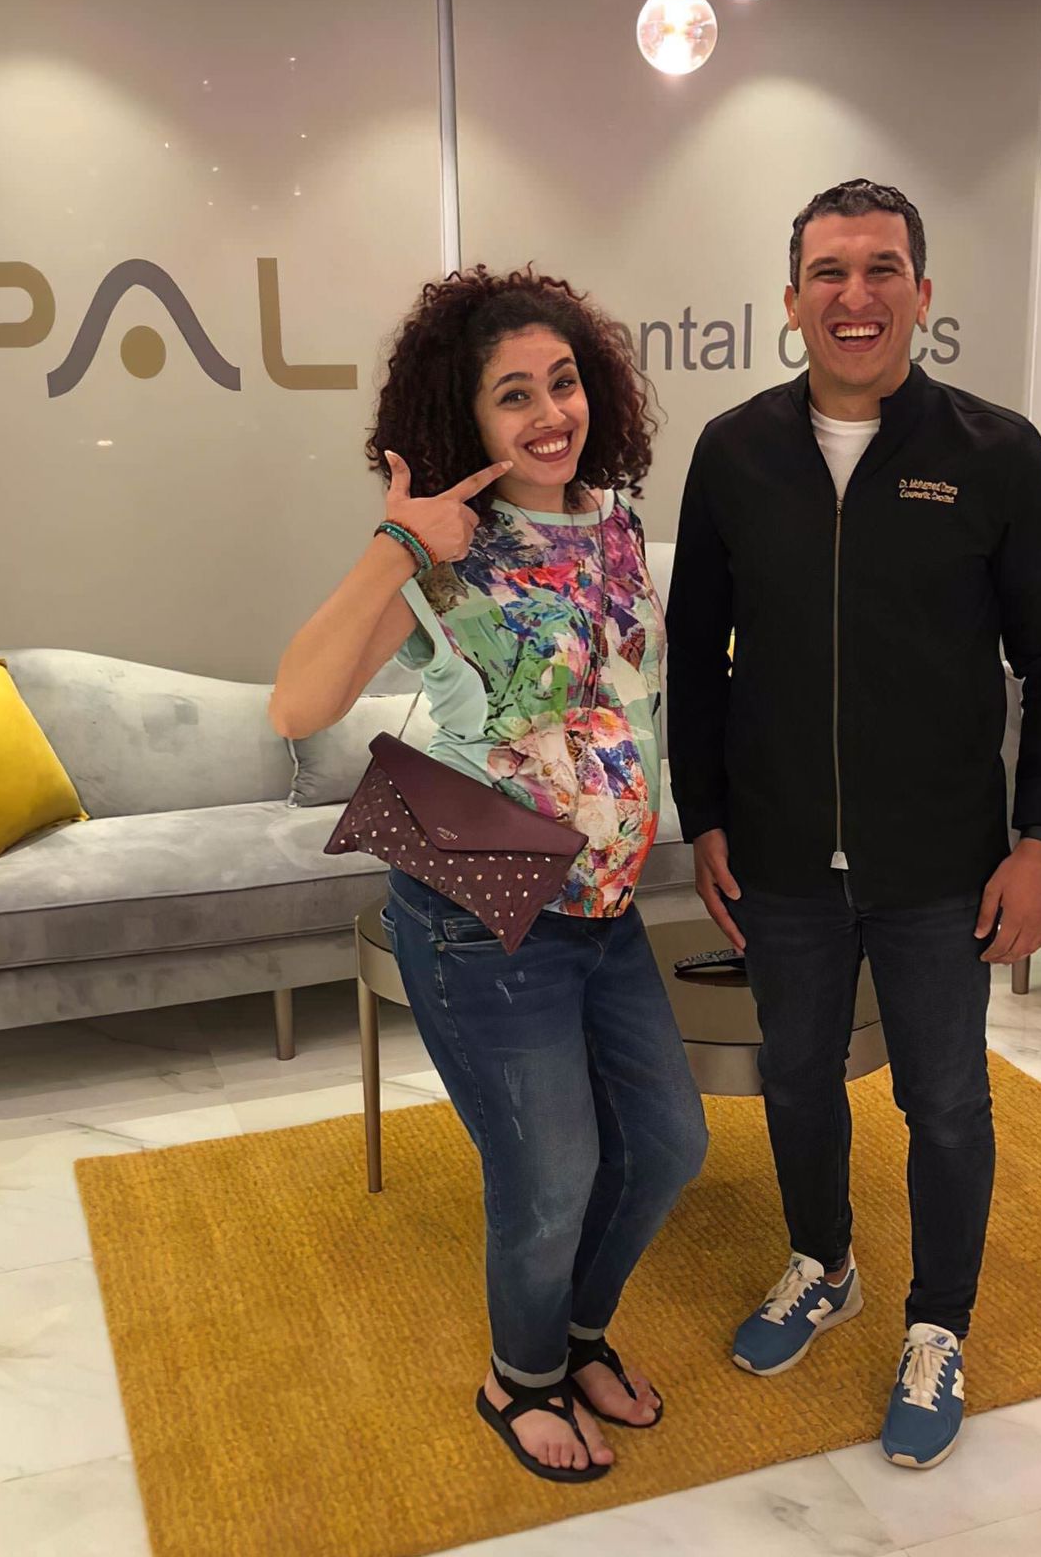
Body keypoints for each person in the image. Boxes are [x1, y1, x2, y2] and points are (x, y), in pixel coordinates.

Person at [667, 179, 1041, 1470]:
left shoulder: (994, 451)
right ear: (791, 297)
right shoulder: (733, 452)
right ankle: (823, 1263)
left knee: (945, 1102)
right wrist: (705, 817)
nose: (855, 296)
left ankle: (937, 1324)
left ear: (921, 291)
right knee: (797, 1080)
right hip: (782, 852)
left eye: (881, 269)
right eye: (830, 272)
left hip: (941, 863)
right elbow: (696, 655)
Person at [270, 267, 707, 1484]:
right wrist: (399, 545)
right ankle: (518, 1379)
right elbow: (297, 704)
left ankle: (578, 1336)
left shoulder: (613, 520)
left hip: (604, 904)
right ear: (463, 420)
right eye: (513, 395)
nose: (549, 413)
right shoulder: (441, 553)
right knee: (549, 1173)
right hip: (484, 910)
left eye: (562, 381)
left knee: (666, 1143)